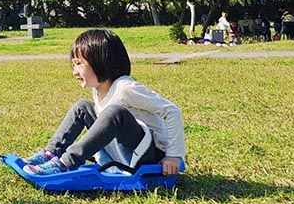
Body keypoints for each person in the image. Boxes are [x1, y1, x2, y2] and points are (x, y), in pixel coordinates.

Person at [22, 29, 185, 176]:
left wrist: (172, 156)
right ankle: (50, 153)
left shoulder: (125, 88)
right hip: (124, 152)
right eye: (73, 64)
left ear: (101, 61)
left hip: (150, 157)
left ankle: (66, 163)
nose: (74, 71)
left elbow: (172, 111)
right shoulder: (98, 89)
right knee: (82, 107)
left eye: (79, 64)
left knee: (115, 113)